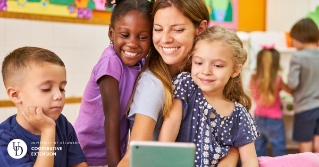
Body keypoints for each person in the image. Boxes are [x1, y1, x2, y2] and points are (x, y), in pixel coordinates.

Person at [119, 1, 241, 167]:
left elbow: (231, 139)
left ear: (200, 29)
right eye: (158, 29)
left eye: (177, 30)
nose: (165, 39)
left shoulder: (204, 79)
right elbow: (133, 157)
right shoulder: (154, 85)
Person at [158, 26, 260, 167]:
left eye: (217, 65)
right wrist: (160, 158)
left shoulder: (239, 114)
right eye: (199, 63)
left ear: (235, 70)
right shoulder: (186, 85)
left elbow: (250, 159)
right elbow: (172, 124)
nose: (206, 71)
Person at [73, 0, 154, 167]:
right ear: (111, 34)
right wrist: (115, 164)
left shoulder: (141, 62)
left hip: (111, 151)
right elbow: (112, 117)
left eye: (143, 37)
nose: (132, 43)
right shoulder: (110, 62)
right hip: (87, 153)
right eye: (125, 35)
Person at [0, 47, 88, 167]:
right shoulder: (6, 139)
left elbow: (78, 164)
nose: (59, 96)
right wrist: (48, 130)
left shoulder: (62, 123)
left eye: (62, 88)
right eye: (46, 89)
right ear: (15, 95)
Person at [249, 47, 292, 157]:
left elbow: (252, 94)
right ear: (275, 64)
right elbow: (291, 91)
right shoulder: (278, 79)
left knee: (258, 150)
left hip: (258, 118)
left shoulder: (253, 77)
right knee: (279, 150)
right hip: (275, 120)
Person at [287, 18, 319, 153]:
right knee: (317, 142)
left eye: (293, 39)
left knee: (305, 144)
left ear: (301, 37)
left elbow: (293, 84)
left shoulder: (298, 57)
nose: (293, 43)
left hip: (305, 108)